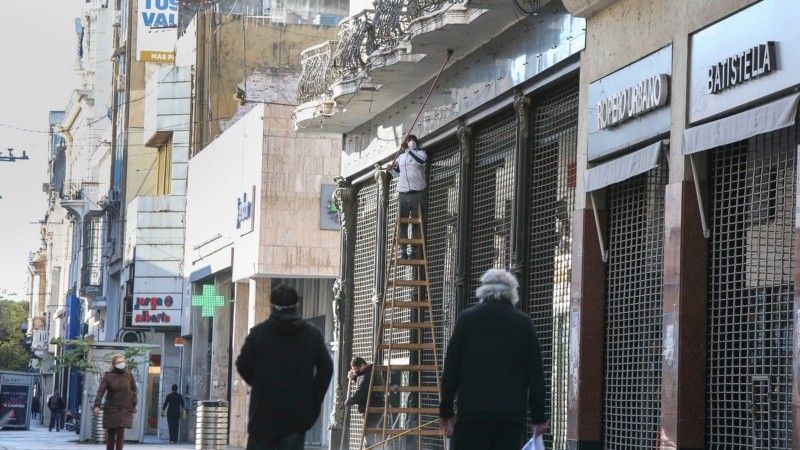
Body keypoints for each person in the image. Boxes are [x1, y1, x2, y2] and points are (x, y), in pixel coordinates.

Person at [439, 268, 550, 450]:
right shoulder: (524, 324)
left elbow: (451, 370)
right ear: (512, 292)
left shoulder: (466, 320)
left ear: (483, 291)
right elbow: (536, 375)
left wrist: (446, 412)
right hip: (510, 419)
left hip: (472, 416)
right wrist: (538, 417)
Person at [236, 284, 333, 450]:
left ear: (272, 305)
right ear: (297, 305)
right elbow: (326, 368)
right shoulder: (311, 334)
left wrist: (261, 384)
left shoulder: (259, 334)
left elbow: (242, 364)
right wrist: (312, 397)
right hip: (295, 415)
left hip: (263, 414)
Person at [384, 134, 427, 259]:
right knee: (402, 223)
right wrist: (391, 169)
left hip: (417, 193)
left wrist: (408, 149)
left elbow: (421, 161)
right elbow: (398, 173)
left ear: (414, 142)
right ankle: (403, 250)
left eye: (409, 140)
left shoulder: (421, 154)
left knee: (415, 224)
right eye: (406, 141)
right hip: (403, 194)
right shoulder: (401, 158)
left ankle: (413, 251)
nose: (407, 142)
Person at [93, 354, 138, 450]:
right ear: (114, 364)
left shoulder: (129, 375)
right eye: (119, 362)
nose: (121, 364)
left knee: (120, 431)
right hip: (111, 408)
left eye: (123, 361)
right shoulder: (108, 376)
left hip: (125, 408)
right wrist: (97, 405)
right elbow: (101, 391)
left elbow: (134, 390)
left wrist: (133, 403)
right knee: (111, 432)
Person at [345, 356, 385, 448]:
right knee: (369, 432)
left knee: (369, 432)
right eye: (354, 370)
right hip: (372, 406)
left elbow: (362, 391)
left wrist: (350, 401)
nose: (356, 372)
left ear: (362, 365)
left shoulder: (369, 374)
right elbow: (363, 384)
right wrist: (355, 378)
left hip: (374, 407)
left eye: (356, 370)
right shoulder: (366, 372)